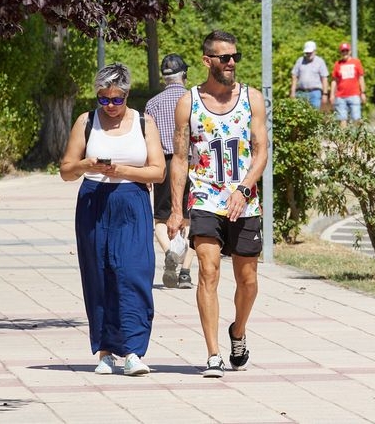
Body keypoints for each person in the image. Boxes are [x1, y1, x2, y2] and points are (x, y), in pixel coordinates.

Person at [167, 30, 268, 378]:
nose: (231, 63)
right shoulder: (188, 102)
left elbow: (261, 151)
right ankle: (213, 354)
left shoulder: (252, 99)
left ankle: (237, 331)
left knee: (248, 280)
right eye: (224, 58)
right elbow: (180, 158)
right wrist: (177, 209)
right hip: (205, 197)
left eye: (235, 57)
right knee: (208, 270)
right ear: (207, 60)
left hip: (245, 201)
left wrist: (244, 188)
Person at [60, 63, 165, 376]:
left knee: (134, 273)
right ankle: (105, 351)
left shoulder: (144, 123)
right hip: (94, 201)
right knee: (100, 274)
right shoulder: (86, 121)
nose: (109, 106)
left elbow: (157, 171)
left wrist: (122, 171)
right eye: (103, 99)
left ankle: (133, 351)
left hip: (131, 201)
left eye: (116, 99)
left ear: (127, 95)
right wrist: (85, 164)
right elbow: (66, 170)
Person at [145, 53, 197, 289]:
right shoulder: (195, 99)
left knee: (161, 217)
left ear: (165, 78)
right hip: (192, 162)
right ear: (184, 75)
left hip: (164, 163)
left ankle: (169, 252)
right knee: (191, 217)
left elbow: (148, 139)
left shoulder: (153, 103)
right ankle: (185, 271)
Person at [329, 43, 366, 126]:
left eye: (346, 50)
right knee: (342, 118)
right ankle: (344, 138)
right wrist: (332, 95)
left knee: (356, 118)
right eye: (343, 51)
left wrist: (363, 93)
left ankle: (356, 137)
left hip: (354, 94)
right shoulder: (337, 64)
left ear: (350, 51)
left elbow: (361, 78)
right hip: (340, 95)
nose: (345, 52)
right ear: (341, 52)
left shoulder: (356, 62)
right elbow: (334, 80)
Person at [290, 40, 328, 109]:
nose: (308, 54)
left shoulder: (320, 62)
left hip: (315, 93)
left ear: (315, 51)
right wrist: (293, 92)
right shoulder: (300, 61)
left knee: (315, 115)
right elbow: (294, 76)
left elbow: (324, 78)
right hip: (301, 93)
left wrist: (325, 94)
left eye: (310, 52)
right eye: (307, 53)